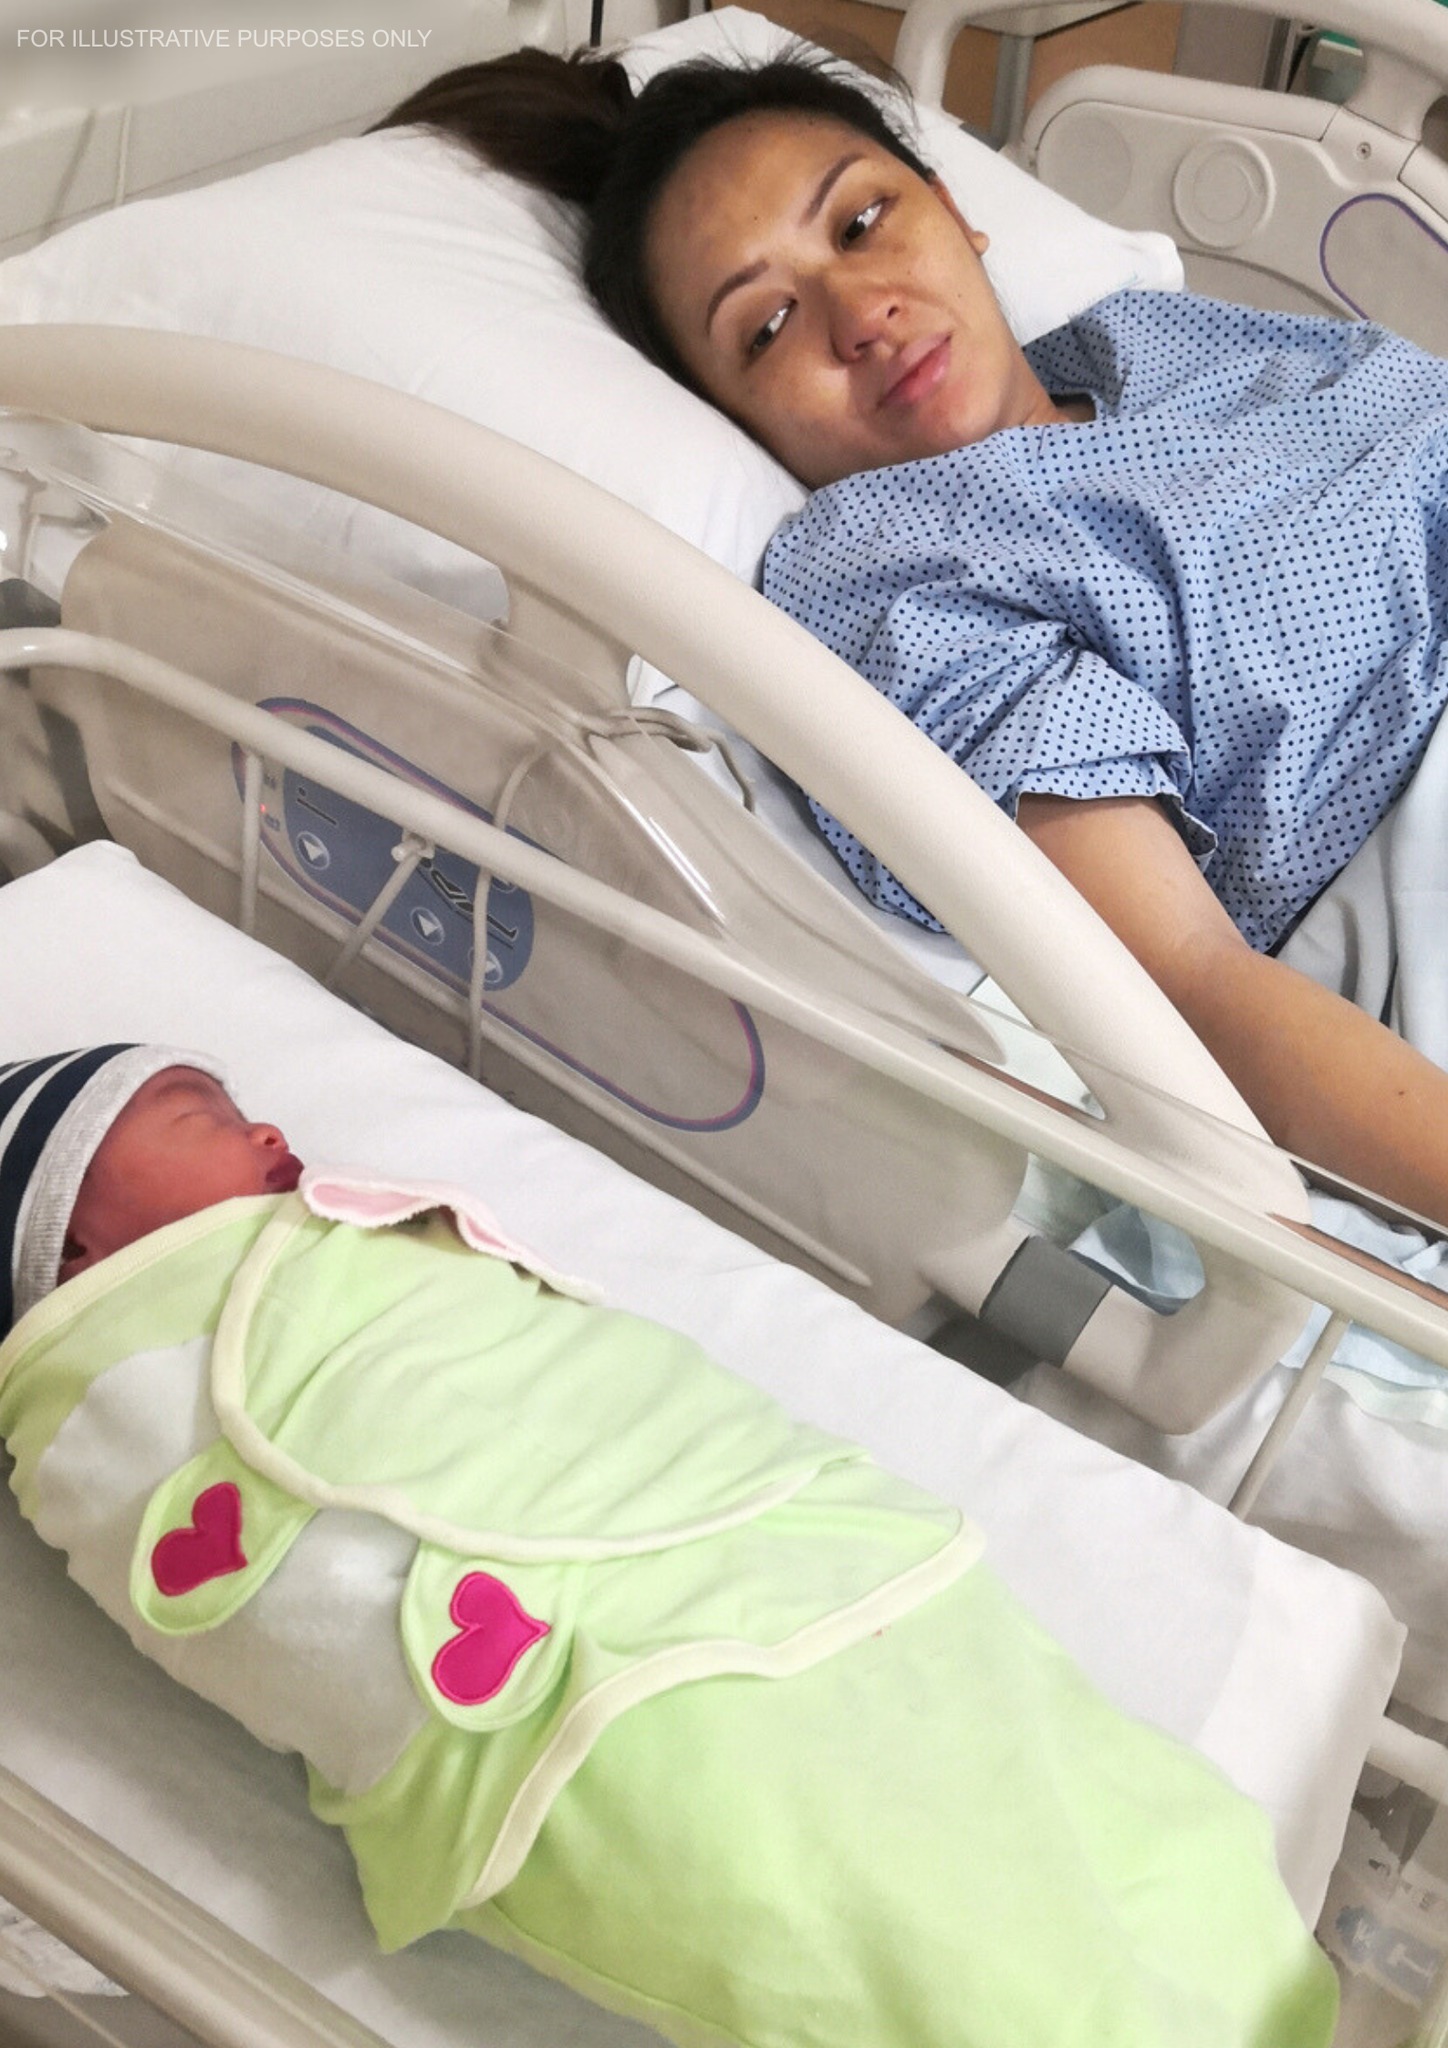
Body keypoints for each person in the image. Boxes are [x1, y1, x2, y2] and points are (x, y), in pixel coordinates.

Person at [0, 1043, 1336, 2048]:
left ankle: (1248, 1976)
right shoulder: (97, 1396)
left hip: (783, 1528)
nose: (267, 1128)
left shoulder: (366, 1244)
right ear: (73, 1242)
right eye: (199, 1117)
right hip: (586, 1701)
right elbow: (250, 1586)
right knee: (895, 1926)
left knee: (1073, 1775)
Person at [376, 47, 1448, 1230]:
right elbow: (1188, 984)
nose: (861, 316)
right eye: (766, 326)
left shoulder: (1148, 338)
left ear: (954, 210)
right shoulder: (890, 566)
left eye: (860, 222)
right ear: (734, 418)